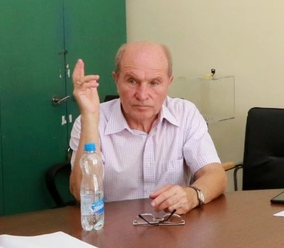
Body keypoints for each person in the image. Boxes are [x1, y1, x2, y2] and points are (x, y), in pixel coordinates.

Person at [68, 41, 226, 213]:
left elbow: (215, 175)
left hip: (172, 224)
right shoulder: (89, 121)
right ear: (116, 80)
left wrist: (192, 195)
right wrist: (90, 118)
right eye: (132, 81)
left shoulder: (185, 114)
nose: (142, 95)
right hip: (113, 225)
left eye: (154, 83)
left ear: (169, 83)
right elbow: (81, 193)